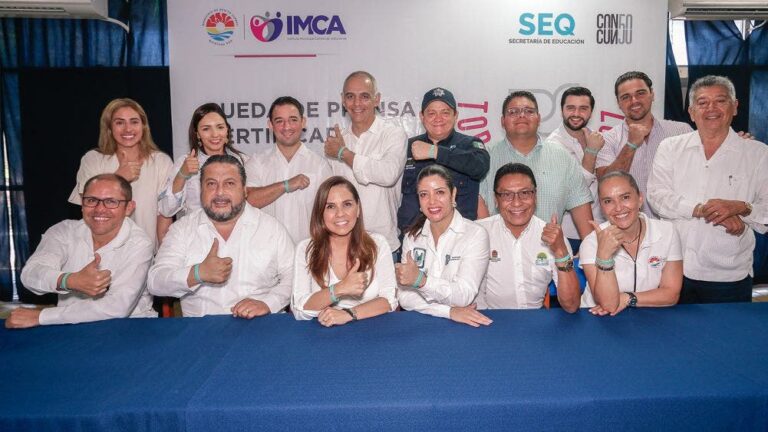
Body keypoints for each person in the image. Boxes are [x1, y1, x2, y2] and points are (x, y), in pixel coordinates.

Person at [648, 75, 768, 303]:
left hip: (728, 275)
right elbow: (657, 197)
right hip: (673, 268)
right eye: (702, 103)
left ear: (735, 107)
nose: (711, 108)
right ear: (691, 112)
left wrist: (742, 208)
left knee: (727, 327)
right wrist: (702, 210)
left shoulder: (758, 154)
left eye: (720, 101)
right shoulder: (670, 148)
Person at [147, 154, 294, 318]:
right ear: (201, 190)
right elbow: (155, 281)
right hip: (201, 329)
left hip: (260, 325)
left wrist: (268, 303)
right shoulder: (182, 229)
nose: (220, 192)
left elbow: (293, 276)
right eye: (211, 184)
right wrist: (196, 274)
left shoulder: (271, 228)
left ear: (245, 190)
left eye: (229, 183)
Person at [7, 174, 156, 328]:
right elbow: (30, 275)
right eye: (91, 200)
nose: (100, 209)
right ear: (82, 204)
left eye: (111, 202)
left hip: (128, 327)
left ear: (129, 208)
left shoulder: (140, 243)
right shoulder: (63, 231)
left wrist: (42, 316)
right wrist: (69, 280)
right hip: (69, 327)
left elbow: (118, 307)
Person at [478, 91, 594, 240]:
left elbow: (582, 213)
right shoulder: (484, 159)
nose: (521, 115)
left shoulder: (563, 158)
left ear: (538, 119)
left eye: (529, 111)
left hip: (550, 250)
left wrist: (591, 248)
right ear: (502, 121)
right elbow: (479, 213)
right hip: (498, 250)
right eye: (513, 112)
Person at [291, 176, 397, 326]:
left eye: (347, 204)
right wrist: (339, 289)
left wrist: (348, 314)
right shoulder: (306, 249)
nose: (340, 213)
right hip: (323, 332)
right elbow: (299, 308)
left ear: (358, 209)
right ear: (320, 213)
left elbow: (389, 300)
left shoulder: (378, 244)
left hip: (372, 330)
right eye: (330, 206)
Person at [68, 98, 173, 248]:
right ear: (109, 128)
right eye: (119, 122)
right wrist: (119, 178)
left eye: (134, 122)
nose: (128, 129)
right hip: (101, 251)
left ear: (144, 126)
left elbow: (165, 215)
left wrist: (164, 255)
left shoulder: (161, 162)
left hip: (146, 253)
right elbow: (89, 208)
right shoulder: (93, 160)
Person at [476, 163, 580, 312]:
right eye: (507, 195)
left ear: (535, 196)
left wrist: (560, 252)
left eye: (525, 193)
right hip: (487, 319)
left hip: (535, 319)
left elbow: (571, 306)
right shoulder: (478, 233)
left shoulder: (554, 237)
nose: (517, 202)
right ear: (496, 199)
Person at [396, 165, 491, 327]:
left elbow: (464, 295)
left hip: (470, 322)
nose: (432, 201)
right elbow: (405, 298)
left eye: (439, 192)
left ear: (453, 194)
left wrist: (421, 281)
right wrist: (448, 312)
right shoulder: (412, 237)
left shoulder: (475, 234)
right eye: (424, 194)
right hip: (424, 323)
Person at [323, 71, 407, 254]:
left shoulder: (392, 134)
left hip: (384, 246)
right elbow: (327, 196)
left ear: (377, 99)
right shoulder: (337, 141)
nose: (357, 103)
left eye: (364, 96)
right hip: (343, 247)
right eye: (350, 97)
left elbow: (388, 174)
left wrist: (343, 153)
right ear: (343, 100)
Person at [581, 171, 683, 315]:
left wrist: (627, 298)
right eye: (608, 201)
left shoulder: (667, 232)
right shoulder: (591, 242)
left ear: (640, 199)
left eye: (625, 197)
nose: (618, 208)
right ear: (601, 207)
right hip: (598, 318)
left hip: (647, 314)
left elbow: (671, 294)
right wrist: (604, 255)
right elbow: (608, 305)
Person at [595, 71, 693, 217]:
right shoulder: (608, 139)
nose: (634, 101)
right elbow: (606, 183)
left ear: (652, 94)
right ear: (618, 103)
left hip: (677, 222)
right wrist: (631, 145)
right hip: (628, 224)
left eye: (640, 93)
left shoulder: (681, 131)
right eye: (626, 97)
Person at [398, 87, 489, 235]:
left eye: (445, 113)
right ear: (422, 116)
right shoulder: (407, 146)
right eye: (431, 113)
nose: (438, 118)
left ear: (455, 115)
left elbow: (480, 166)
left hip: (459, 239)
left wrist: (435, 152)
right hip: (414, 238)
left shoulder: (469, 144)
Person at [246, 96, 332, 243]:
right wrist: (285, 185)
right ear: (270, 125)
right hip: (266, 250)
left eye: (293, 120)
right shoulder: (257, 162)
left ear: (303, 122)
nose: (287, 127)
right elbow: (247, 200)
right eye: (279, 121)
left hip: (309, 250)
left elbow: (330, 210)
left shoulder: (320, 165)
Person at [159, 102, 247, 220]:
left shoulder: (243, 161)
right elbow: (166, 210)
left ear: (227, 130)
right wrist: (182, 174)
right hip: (196, 229)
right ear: (197, 134)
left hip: (236, 228)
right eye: (206, 129)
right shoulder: (185, 163)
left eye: (220, 127)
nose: (214, 134)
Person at [545, 86, 605, 250]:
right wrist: (591, 151)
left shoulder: (596, 137)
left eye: (583, 108)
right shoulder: (552, 145)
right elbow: (572, 190)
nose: (576, 114)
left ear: (591, 112)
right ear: (562, 110)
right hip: (569, 232)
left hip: (601, 225)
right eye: (571, 108)